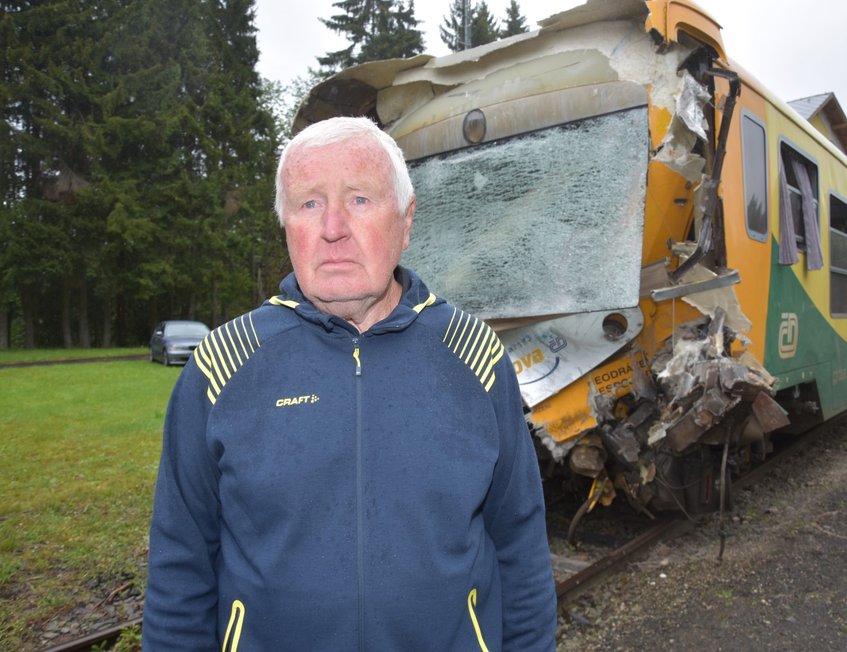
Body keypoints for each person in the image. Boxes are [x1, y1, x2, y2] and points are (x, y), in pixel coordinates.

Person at [142, 116, 557, 651]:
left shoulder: (474, 358)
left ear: (406, 222)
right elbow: (180, 566)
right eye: (309, 203)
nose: (332, 226)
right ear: (285, 224)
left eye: (360, 199)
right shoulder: (222, 368)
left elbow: (520, 544)